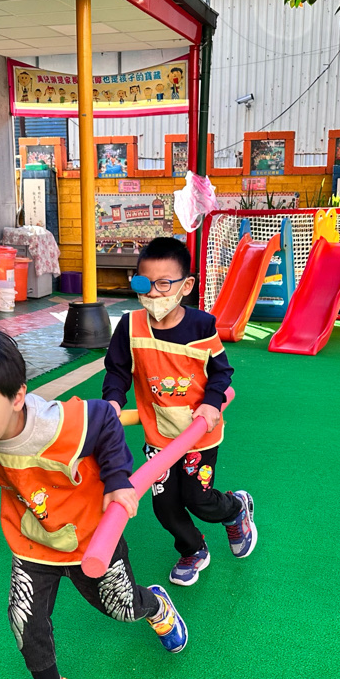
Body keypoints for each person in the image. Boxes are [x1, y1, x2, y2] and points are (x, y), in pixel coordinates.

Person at [0, 328, 188, 679]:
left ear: (17, 397)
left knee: (121, 608)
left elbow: (106, 419)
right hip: (33, 539)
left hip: (91, 537)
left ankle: (155, 605)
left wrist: (117, 480)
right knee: (23, 617)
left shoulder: (56, 425)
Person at [103, 237, 257, 587]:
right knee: (165, 506)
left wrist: (212, 402)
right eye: (144, 283)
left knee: (197, 498)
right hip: (158, 435)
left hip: (199, 435)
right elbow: (117, 371)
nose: (153, 293)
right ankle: (193, 549)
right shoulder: (130, 326)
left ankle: (235, 509)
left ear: (186, 286)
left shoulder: (201, 326)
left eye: (163, 284)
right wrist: (113, 400)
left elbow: (221, 372)